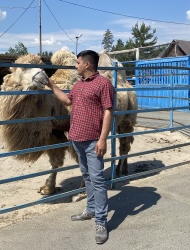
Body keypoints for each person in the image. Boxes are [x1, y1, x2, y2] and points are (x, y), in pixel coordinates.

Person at [48, 50, 114, 244]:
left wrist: (103, 140)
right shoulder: (78, 85)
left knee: (98, 180)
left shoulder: (104, 84)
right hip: (77, 139)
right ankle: (91, 210)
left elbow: (108, 112)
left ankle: (101, 222)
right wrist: (51, 85)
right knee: (87, 177)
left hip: (94, 141)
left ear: (87, 64)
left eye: (77, 63)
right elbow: (68, 100)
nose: (75, 66)